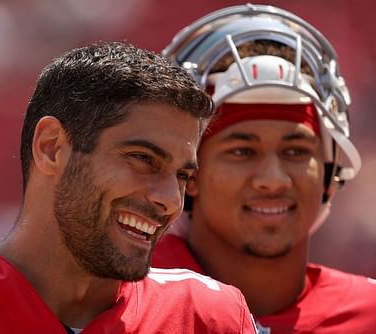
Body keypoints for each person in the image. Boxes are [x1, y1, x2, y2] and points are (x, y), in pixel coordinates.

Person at [0, 42, 258, 334]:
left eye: (181, 177)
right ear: (52, 148)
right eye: (143, 159)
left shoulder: (205, 317)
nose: (168, 199)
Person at [152, 4, 376, 333]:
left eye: (296, 151)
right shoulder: (114, 297)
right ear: (188, 171)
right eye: (242, 151)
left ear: (329, 169)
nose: (273, 180)